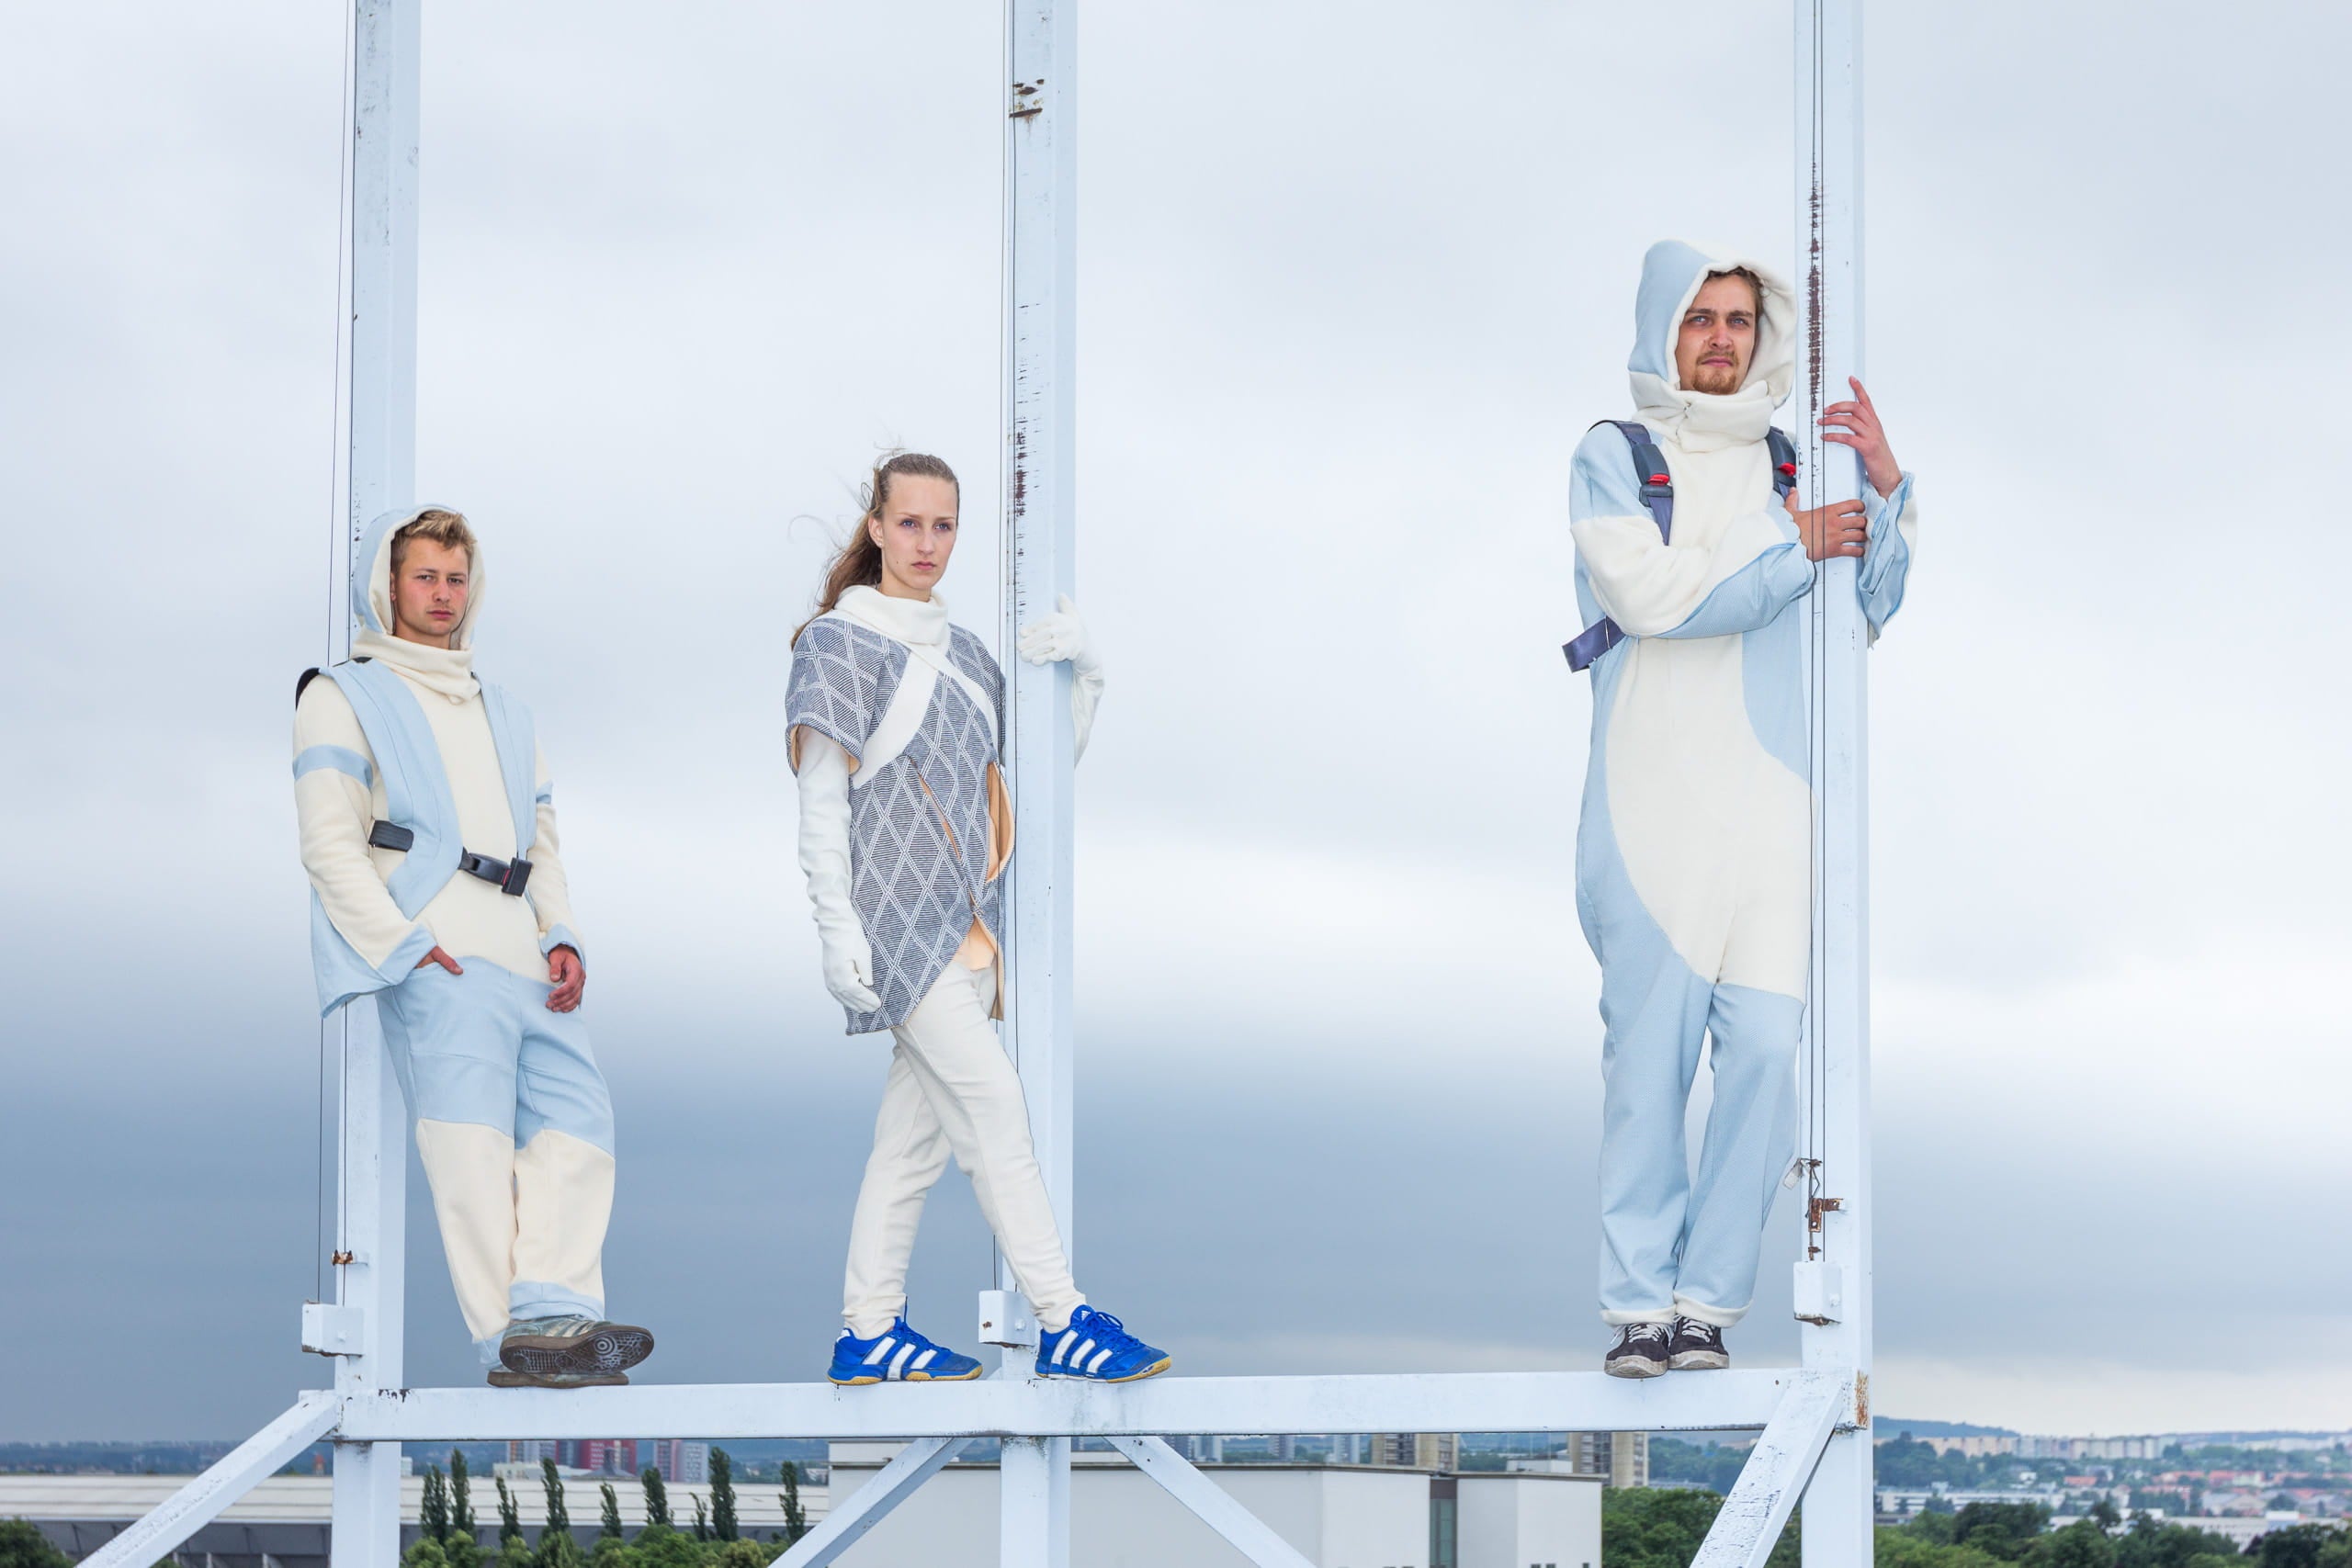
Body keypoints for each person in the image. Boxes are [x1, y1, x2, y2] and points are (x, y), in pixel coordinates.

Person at [1566, 242, 1917, 1378]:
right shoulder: (1614, 456)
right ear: (1660, 332)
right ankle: (1637, 1310)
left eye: (1736, 321)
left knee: (1768, 1059)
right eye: (1696, 320)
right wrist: (1794, 546)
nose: (1719, 339)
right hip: (1649, 811)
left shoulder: (1786, 469)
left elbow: (1864, 607)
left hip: (1772, 821)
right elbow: (1655, 599)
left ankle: (1707, 1303)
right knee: (1647, 1072)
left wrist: (1882, 488)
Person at [786, 451, 1169, 1386]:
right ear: (876, 527)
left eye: (944, 525)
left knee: (909, 1148)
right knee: (995, 1105)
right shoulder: (836, 644)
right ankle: (1063, 1317)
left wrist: (1087, 677)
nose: (927, 543)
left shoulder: (965, 656)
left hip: (972, 935)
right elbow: (819, 802)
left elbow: (1025, 783)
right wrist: (836, 929)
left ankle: (868, 1329)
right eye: (910, 523)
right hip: (895, 933)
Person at [292, 505, 651, 1388]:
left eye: (455, 578)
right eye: (425, 576)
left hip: (524, 950)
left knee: (580, 1121)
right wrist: (403, 946)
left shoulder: (508, 710)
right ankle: (509, 1340)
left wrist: (561, 934)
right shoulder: (340, 693)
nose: (442, 594)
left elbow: (543, 837)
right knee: (470, 1146)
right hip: (436, 947)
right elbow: (329, 841)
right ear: (387, 584)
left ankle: (555, 1308)